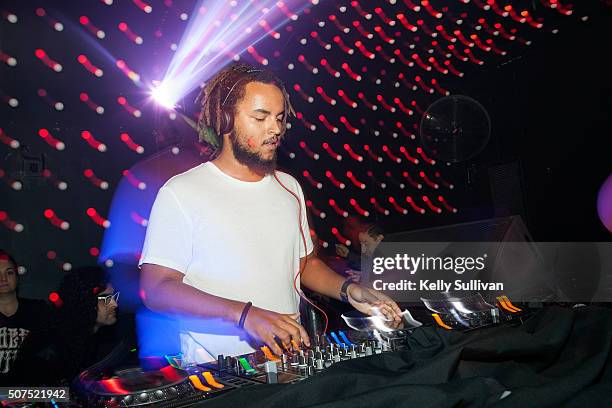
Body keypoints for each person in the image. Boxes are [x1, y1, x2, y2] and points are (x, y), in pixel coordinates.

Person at [139, 63, 402, 364]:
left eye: (279, 118)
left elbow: (304, 265)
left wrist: (349, 290)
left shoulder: (288, 187)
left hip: (292, 363)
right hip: (218, 373)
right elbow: (157, 289)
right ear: (225, 121)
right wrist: (245, 315)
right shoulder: (182, 192)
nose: (275, 128)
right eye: (260, 117)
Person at [0, 249, 51, 382]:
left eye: (9, 272)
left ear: (17, 276)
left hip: (31, 391)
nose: (3, 279)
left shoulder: (38, 310)